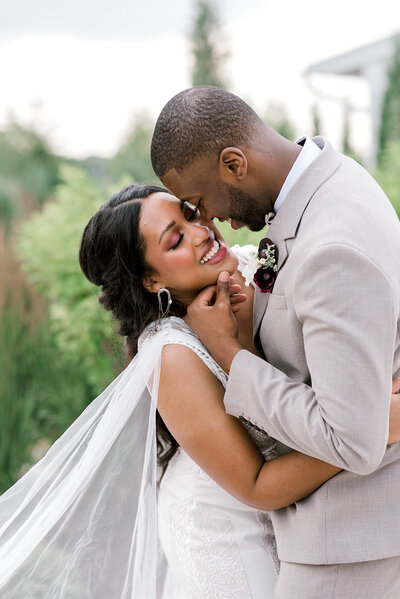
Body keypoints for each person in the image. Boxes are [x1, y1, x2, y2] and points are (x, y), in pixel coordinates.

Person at [150, 86, 400, 598]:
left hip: (346, 546)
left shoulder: (329, 243)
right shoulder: (333, 180)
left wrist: (231, 355)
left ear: (235, 165)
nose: (210, 222)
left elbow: (352, 439)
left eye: (198, 204)